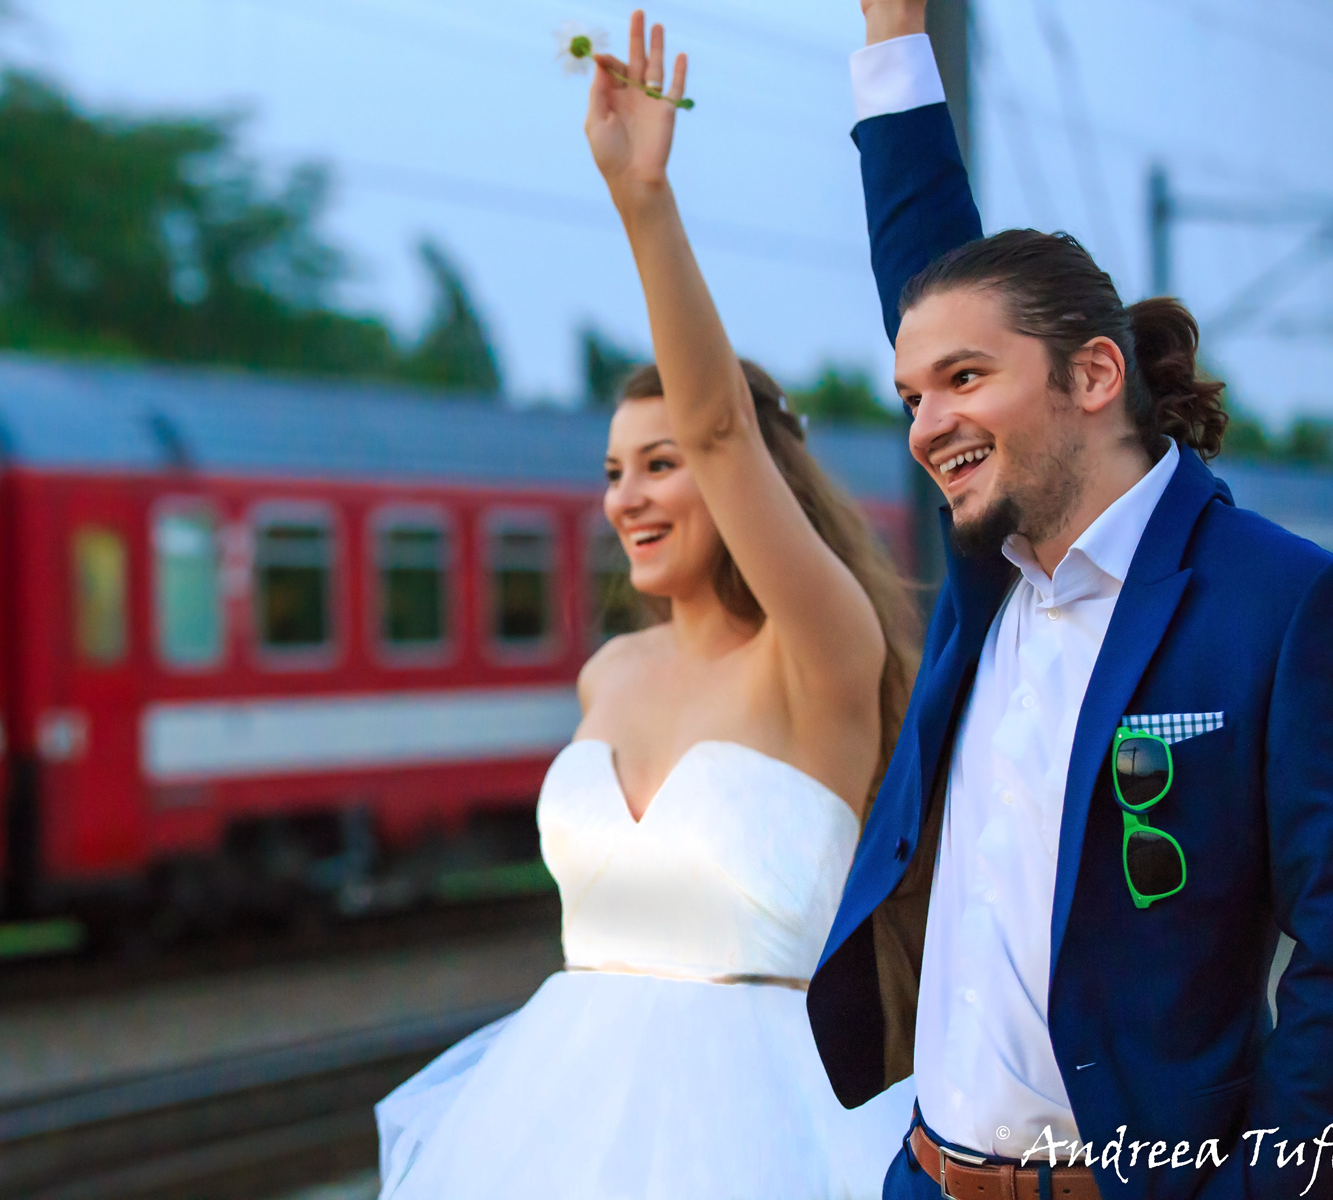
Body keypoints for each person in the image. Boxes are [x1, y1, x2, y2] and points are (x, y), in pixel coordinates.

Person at [806, 4, 1333, 1200]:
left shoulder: (1289, 607)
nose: (928, 423)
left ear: (1094, 375)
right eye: (910, 394)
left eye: (966, 378)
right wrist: (890, 33)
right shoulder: (991, 585)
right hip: (925, 1177)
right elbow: (929, 263)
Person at [374, 13, 922, 1197]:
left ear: (740, 479)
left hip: (757, 1132)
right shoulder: (606, 675)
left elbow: (723, 425)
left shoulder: (820, 654)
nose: (628, 496)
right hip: (550, 1120)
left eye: (662, 463)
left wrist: (644, 204)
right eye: (613, 470)